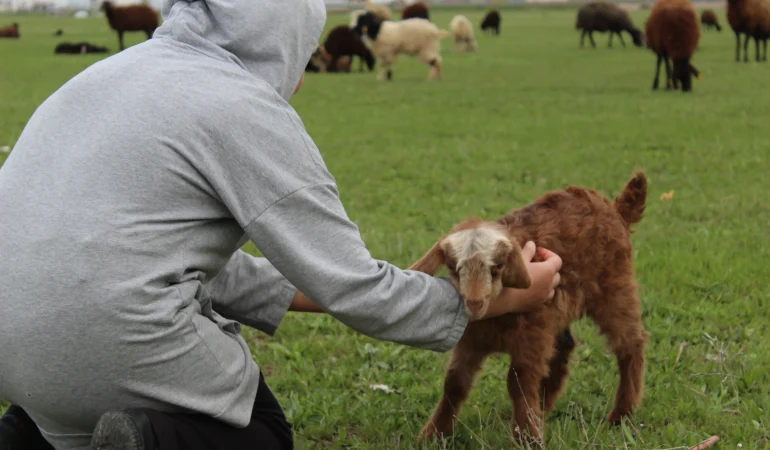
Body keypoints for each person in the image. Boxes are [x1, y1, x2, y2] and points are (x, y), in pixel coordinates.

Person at [0, 0, 562, 449]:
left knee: (68, 374)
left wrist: (311, 290)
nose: (298, 80)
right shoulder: (240, 105)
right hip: (112, 339)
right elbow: (355, 286)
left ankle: (25, 433)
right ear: (281, 38)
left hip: (15, 348)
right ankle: (151, 439)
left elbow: (143, 253)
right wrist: (507, 299)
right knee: (262, 433)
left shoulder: (101, 77)